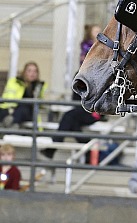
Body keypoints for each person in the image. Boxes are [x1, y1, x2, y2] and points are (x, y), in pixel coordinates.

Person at [40, 23, 103, 160]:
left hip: (95, 112)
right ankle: (87, 150)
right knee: (73, 122)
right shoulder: (79, 74)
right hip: (81, 109)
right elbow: (76, 99)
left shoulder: (102, 75)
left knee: (69, 116)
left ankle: (54, 147)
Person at [0, 61, 46, 128]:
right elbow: (9, 99)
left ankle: (12, 122)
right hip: (11, 109)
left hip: (27, 113)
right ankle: (11, 124)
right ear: (24, 72)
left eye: (35, 71)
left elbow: (41, 103)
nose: (32, 74)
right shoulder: (15, 82)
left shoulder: (39, 86)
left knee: (24, 108)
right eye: (29, 71)